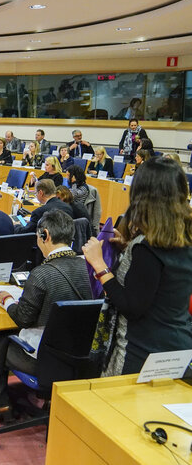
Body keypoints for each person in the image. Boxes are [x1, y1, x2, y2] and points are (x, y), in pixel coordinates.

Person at [82, 157, 192, 376]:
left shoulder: (147, 246)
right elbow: (161, 282)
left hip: (140, 352)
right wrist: (127, 248)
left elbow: (131, 307)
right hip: (178, 345)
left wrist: (100, 265)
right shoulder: (185, 237)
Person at [0, 210, 92, 423]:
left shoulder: (42, 274)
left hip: (41, 359)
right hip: (78, 355)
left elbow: (22, 319)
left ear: (45, 235)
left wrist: (8, 301)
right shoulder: (87, 267)